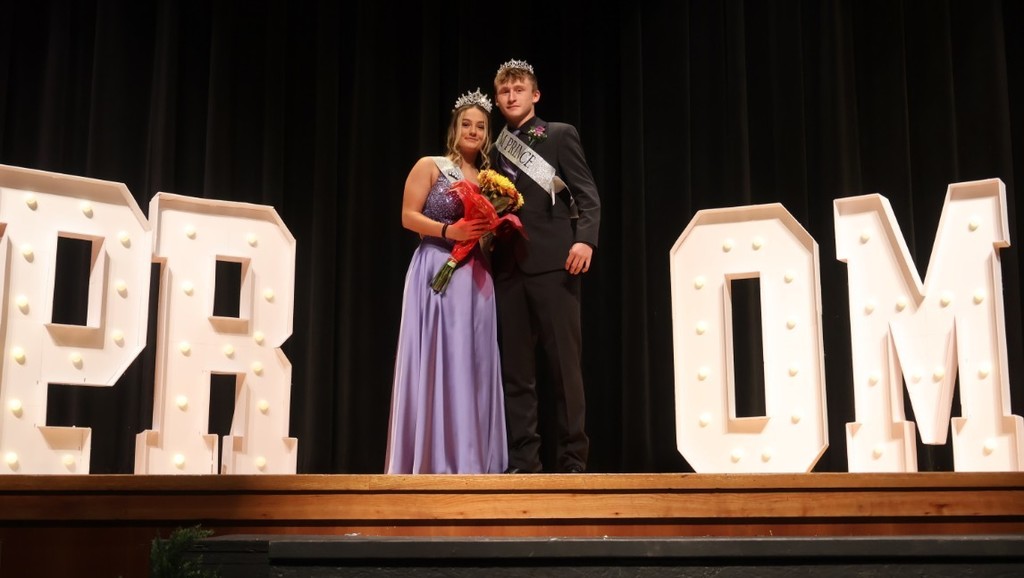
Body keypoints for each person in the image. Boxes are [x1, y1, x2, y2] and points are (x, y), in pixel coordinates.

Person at [384, 89, 508, 474]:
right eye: (467, 124)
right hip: (437, 267)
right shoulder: (431, 166)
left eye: (481, 126)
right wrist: (448, 230)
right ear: (455, 128)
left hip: (476, 275)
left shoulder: (491, 181)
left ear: (487, 134)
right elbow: (407, 216)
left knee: (472, 362)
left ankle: (473, 456)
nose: (473, 131)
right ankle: (434, 457)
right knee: (440, 359)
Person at [490, 59, 601, 474]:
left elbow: (587, 196)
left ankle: (573, 461)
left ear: (534, 95)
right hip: (507, 269)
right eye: (504, 92)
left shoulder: (558, 135)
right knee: (518, 374)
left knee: (564, 370)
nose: (512, 96)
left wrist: (585, 240)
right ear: (498, 100)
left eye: (519, 89)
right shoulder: (494, 146)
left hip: (556, 265)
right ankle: (525, 463)